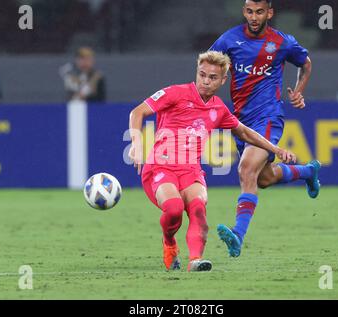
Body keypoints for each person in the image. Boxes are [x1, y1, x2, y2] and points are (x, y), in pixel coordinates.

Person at [128, 51, 296, 272]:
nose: (206, 81)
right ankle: (169, 242)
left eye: (213, 77)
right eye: (202, 75)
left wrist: (274, 149)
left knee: (198, 208)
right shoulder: (175, 93)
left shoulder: (218, 109)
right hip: (161, 167)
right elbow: (137, 112)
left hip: (190, 171)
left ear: (223, 80)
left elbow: (245, 133)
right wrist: (137, 143)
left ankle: (195, 260)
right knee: (175, 208)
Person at [209, 0, 321, 258]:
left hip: (268, 117)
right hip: (240, 123)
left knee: (246, 168)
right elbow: (209, 66)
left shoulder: (283, 42)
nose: (254, 17)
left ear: (269, 12)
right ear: (244, 12)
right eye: (249, 11)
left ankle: (237, 234)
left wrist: (299, 93)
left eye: (260, 11)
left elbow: (306, 64)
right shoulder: (228, 40)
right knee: (263, 178)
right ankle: (307, 171)